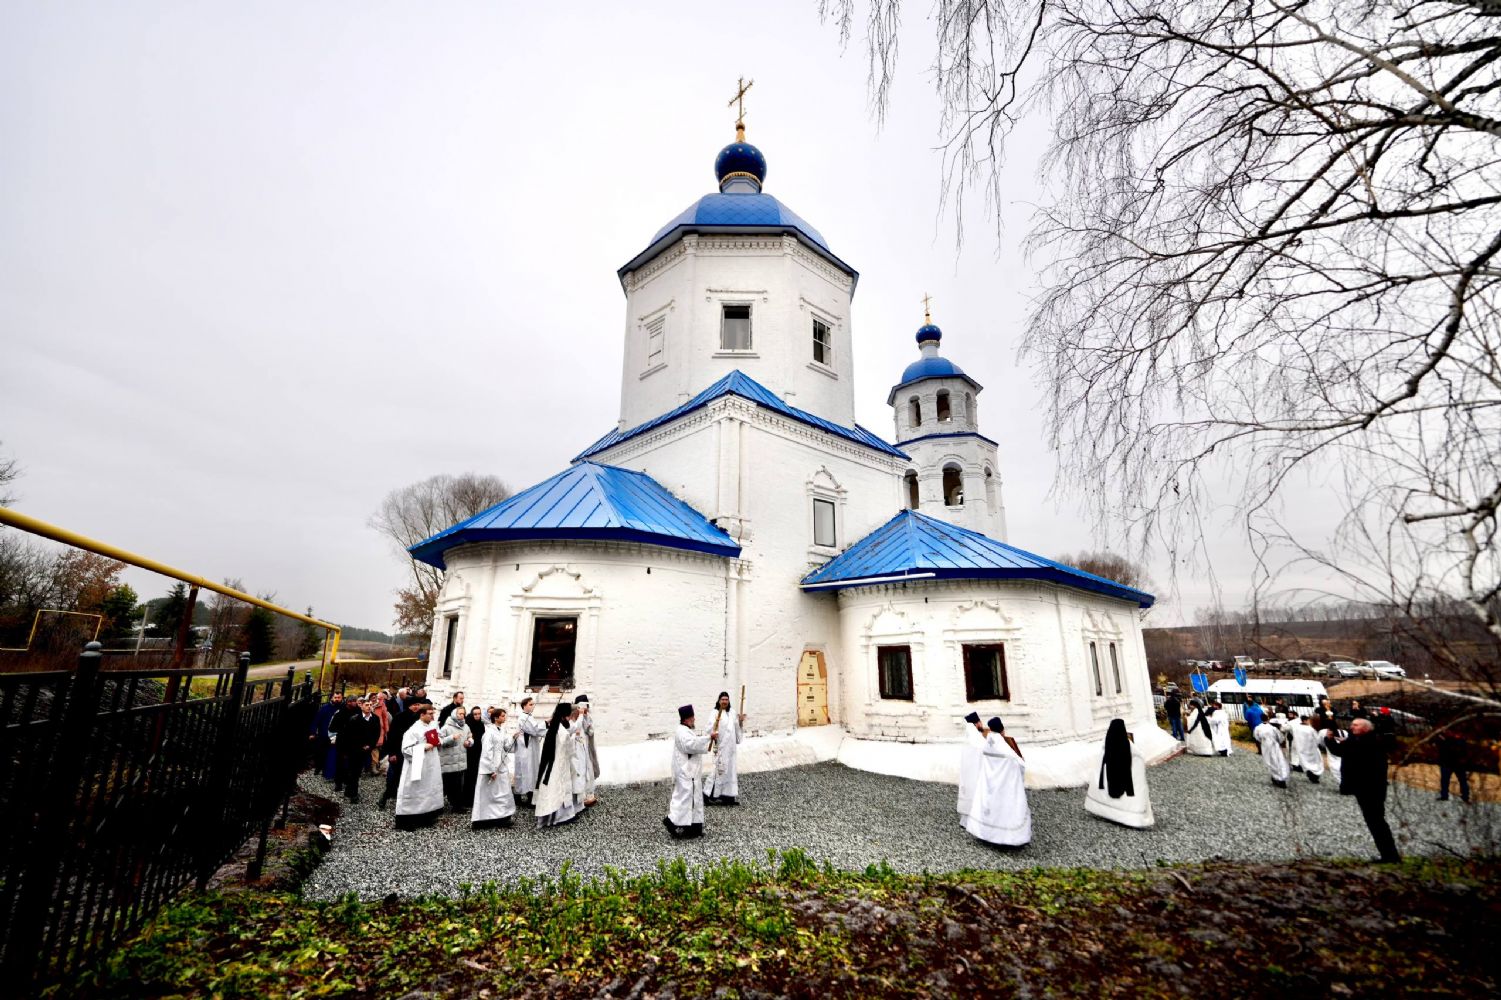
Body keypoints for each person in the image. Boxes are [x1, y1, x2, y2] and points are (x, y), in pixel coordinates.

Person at [1327, 718, 1401, 863]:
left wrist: (1333, 741)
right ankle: (1389, 855)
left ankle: (1390, 856)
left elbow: (1344, 751)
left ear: (1365, 728)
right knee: (1374, 821)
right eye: (1352, 724)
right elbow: (1342, 751)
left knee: (1376, 821)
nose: (1351, 726)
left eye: (1355, 725)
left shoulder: (1369, 742)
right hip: (1365, 787)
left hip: (1371, 788)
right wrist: (1332, 741)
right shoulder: (1358, 740)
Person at [963, 717, 1031, 847]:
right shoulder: (1004, 748)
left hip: (989, 784)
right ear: (1002, 730)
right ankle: (1005, 838)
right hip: (1003, 785)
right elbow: (1020, 764)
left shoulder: (988, 743)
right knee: (1003, 809)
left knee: (990, 807)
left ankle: (986, 834)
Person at [1085, 719, 1153, 828]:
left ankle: (1108, 813)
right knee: (1128, 799)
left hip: (1109, 775)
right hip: (1125, 778)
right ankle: (1131, 818)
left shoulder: (1106, 743)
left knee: (1109, 792)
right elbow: (1139, 757)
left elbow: (1100, 760)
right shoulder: (1128, 745)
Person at [664, 704, 716, 839]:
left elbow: (693, 743)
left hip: (690, 772)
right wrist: (708, 738)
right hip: (687, 772)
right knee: (685, 800)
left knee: (694, 799)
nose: (694, 720)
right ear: (686, 719)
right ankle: (672, 822)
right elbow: (690, 745)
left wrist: (708, 739)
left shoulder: (684, 730)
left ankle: (694, 828)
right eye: (692, 718)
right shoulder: (682, 732)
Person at [395, 704, 445, 830]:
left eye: (433, 713)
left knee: (428, 788)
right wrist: (423, 747)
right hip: (417, 765)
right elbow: (405, 750)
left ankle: (425, 816)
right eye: (430, 713)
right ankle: (406, 820)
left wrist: (439, 741)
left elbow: (438, 738)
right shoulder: (413, 730)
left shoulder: (432, 726)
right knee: (414, 789)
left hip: (430, 764)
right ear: (422, 714)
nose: (433, 716)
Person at [534, 703, 581, 828]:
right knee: (557, 787)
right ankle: (557, 817)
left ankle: (560, 815)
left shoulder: (556, 725)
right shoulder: (560, 730)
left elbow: (570, 729)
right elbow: (568, 747)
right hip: (558, 762)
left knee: (557, 787)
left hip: (556, 761)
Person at [471, 706, 517, 829]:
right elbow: (486, 752)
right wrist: (490, 769)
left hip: (501, 765)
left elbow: (507, 747)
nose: (504, 718)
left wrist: (513, 738)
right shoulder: (489, 732)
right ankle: (482, 819)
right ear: (496, 718)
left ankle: (502, 817)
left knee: (502, 792)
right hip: (491, 766)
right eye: (502, 716)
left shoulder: (502, 730)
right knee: (488, 793)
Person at [336, 698, 382, 803]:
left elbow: (376, 733)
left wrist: (370, 745)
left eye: (370, 705)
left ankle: (349, 790)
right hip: (354, 749)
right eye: (366, 705)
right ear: (361, 706)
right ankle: (354, 794)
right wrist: (359, 745)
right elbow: (350, 735)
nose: (369, 706)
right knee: (354, 771)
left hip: (366, 750)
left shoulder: (375, 718)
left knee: (357, 770)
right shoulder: (354, 719)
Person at [705, 690, 747, 806]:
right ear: (719, 701)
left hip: (731, 749)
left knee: (730, 772)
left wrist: (741, 721)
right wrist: (714, 730)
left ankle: (728, 798)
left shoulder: (732, 713)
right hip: (721, 747)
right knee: (718, 771)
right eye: (722, 699)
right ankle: (707, 796)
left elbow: (737, 727)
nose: (724, 701)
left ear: (729, 701)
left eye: (726, 699)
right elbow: (709, 729)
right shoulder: (714, 713)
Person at [379, 699, 422, 809]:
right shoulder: (399, 717)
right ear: (409, 706)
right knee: (395, 776)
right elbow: (393, 736)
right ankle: (385, 798)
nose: (416, 706)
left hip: (414, 751)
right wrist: (392, 753)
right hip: (399, 751)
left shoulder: (419, 717)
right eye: (414, 704)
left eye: (417, 704)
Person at [513, 697, 547, 807]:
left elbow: (536, 729)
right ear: (524, 706)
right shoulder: (523, 718)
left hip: (531, 748)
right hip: (525, 749)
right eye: (530, 704)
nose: (532, 706)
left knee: (531, 771)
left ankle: (530, 796)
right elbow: (534, 730)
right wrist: (546, 723)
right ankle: (520, 797)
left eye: (533, 704)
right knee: (525, 771)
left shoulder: (529, 717)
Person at [438, 704, 472, 810]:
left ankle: (457, 805)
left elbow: (470, 736)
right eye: (460, 713)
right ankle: (437, 805)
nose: (462, 716)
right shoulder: (447, 727)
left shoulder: (466, 726)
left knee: (459, 785)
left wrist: (469, 742)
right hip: (449, 761)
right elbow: (439, 741)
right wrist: (451, 737)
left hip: (461, 761)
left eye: (463, 714)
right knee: (446, 785)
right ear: (454, 714)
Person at [957, 711, 989, 821]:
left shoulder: (970, 737)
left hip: (969, 773)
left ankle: (965, 820)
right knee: (975, 794)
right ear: (976, 724)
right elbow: (986, 751)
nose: (982, 724)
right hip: (975, 773)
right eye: (980, 722)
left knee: (969, 795)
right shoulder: (977, 739)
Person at [573, 694, 600, 807]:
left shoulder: (588, 716)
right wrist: (580, 716)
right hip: (577, 748)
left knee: (589, 770)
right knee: (579, 770)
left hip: (586, 747)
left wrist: (587, 721)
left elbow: (590, 731)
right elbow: (574, 729)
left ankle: (589, 794)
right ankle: (580, 796)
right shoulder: (574, 716)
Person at [1253, 715, 1291, 788]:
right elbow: (1280, 737)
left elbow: (1256, 737)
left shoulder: (1258, 728)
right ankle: (1281, 776)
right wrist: (1279, 742)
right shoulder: (1273, 728)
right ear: (1268, 719)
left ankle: (1275, 775)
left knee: (1269, 761)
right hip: (1274, 745)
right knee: (1278, 760)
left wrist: (1262, 741)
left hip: (1265, 746)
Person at [1436, 730, 1472, 804]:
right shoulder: (1448, 740)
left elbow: (1464, 753)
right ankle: (1446, 795)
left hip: (1454, 764)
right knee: (1449, 781)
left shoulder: (1455, 741)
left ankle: (1464, 796)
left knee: (1460, 781)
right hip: (1450, 764)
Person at [310, 692, 342, 771]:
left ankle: (330, 769)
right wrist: (313, 732)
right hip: (323, 734)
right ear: (332, 698)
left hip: (337, 735)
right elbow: (316, 721)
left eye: (339, 698)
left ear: (341, 698)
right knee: (321, 752)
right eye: (335, 697)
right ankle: (318, 767)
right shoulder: (325, 708)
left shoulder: (342, 708)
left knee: (334, 753)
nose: (337, 699)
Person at [1290, 714, 1325, 783]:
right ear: (1305, 720)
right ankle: (1314, 775)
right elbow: (1317, 740)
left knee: (1305, 761)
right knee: (1314, 763)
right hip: (1311, 748)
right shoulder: (1311, 729)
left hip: (1301, 748)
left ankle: (1310, 773)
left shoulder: (1296, 728)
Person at [463, 705, 486, 807]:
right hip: (470, 753)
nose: (477, 716)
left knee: (476, 775)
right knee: (469, 776)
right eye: (475, 714)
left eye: (479, 714)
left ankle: (475, 798)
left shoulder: (481, 724)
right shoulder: (468, 724)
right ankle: (468, 799)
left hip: (479, 752)